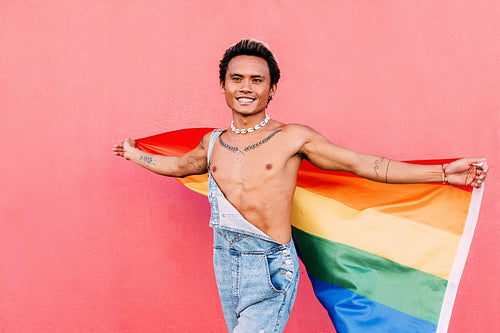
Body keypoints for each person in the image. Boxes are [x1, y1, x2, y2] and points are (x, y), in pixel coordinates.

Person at [112, 39, 488, 333]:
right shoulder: (212, 143)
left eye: (257, 80)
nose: (246, 87)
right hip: (226, 259)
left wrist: (442, 173)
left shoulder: (293, 138)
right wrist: (133, 154)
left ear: (272, 89)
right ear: (223, 86)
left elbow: (363, 164)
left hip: (271, 264)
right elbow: (177, 165)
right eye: (237, 79)